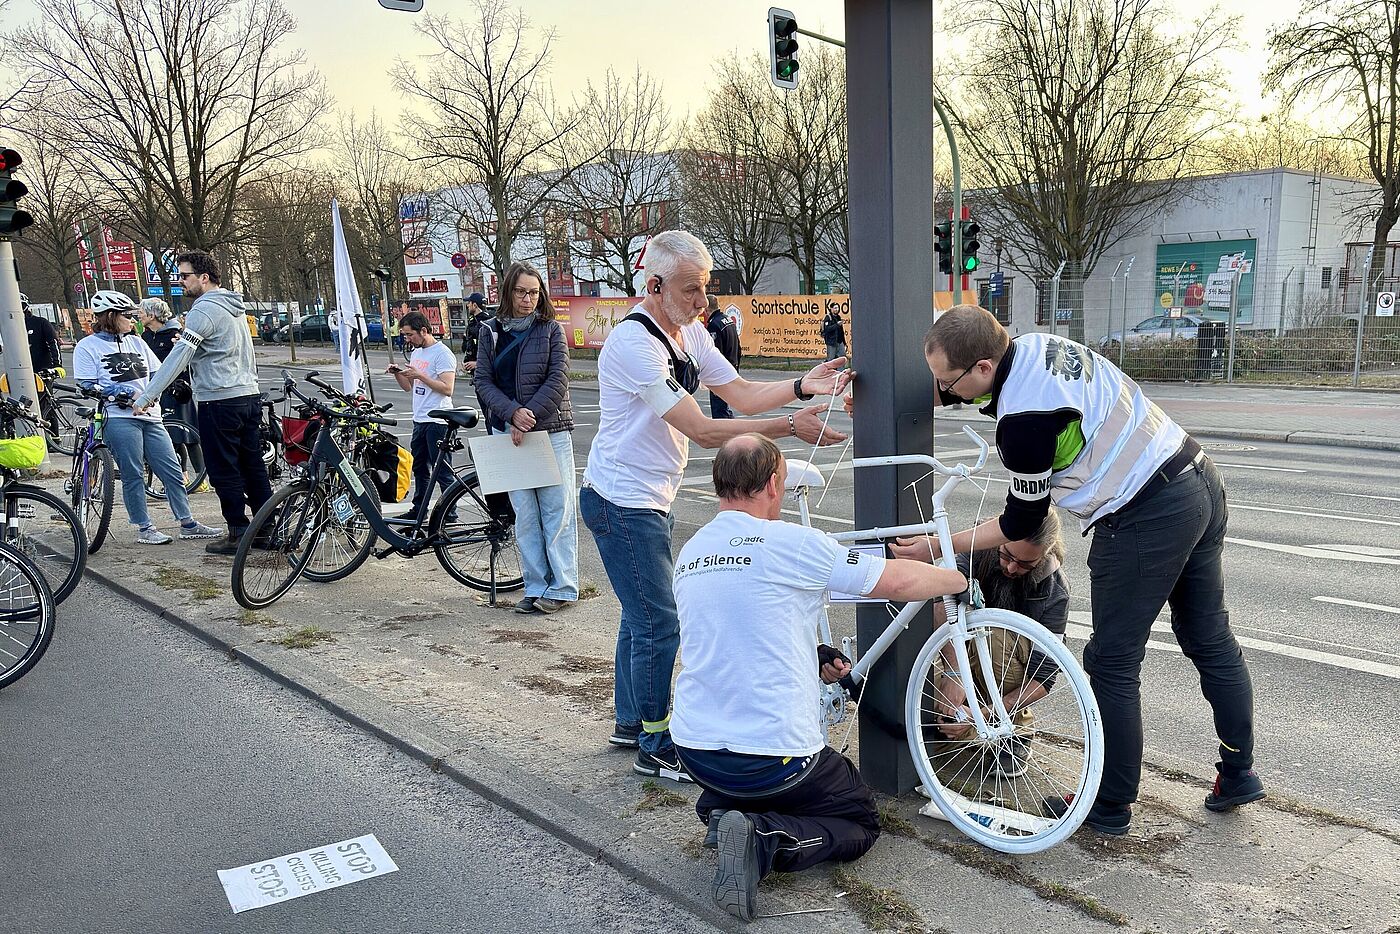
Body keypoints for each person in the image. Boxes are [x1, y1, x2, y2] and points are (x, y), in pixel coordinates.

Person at [891, 304, 1262, 835]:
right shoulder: (1036, 347)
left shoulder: (1023, 422)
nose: (942, 393)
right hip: (1196, 474)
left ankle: (1108, 804)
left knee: (1111, 663)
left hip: (1141, 513)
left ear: (982, 370)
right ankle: (1238, 772)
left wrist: (938, 543)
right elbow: (978, 390)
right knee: (1209, 637)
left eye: (946, 382)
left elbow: (1022, 524)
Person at [579, 229, 851, 783]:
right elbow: (703, 430)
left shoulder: (688, 333)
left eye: (705, 289)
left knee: (641, 616)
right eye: (690, 290)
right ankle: (655, 744)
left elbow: (741, 393)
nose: (703, 302)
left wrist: (803, 385)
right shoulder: (635, 344)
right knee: (659, 621)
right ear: (654, 286)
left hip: (649, 494)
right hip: (621, 497)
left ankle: (631, 721)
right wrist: (786, 428)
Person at [671, 435, 967, 921]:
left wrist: (814, 653)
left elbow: (742, 631)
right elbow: (897, 581)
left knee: (740, 784)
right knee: (860, 819)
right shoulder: (790, 541)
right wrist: (956, 580)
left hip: (695, 750)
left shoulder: (693, 551)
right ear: (772, 484)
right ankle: (763, 842)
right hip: (772, 757)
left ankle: (724, 813)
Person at [134, 250, 273, 555]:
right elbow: (226, 351)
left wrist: (147, 395)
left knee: (223, 469)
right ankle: (266, 530)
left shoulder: (204, 309)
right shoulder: (234, 306)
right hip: (247, 396)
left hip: (219, 400)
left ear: (204, 278)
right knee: (252, 466)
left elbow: (177, 358)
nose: (180, 282)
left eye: (184, 276)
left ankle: (238, 532)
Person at [924, 512, 1069, 786]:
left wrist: (988, 712)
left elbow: (1043, 677)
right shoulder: (976, 549)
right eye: (1007, 556)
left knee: (995, 633)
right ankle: (956, 716)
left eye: (1026, 563)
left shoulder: (1055, 590)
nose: (1012, 568)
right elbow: (938, 602)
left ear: (1046, 554)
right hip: (958, 655)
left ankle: (1011, 733)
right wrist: (954, 674)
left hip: (1004, 661)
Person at [73, 291, 222, 545]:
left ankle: (187, 522)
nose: (134, 320)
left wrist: (175, 385)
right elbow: (85, 385)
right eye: (128, 316)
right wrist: (116, 392)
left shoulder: (137, 342)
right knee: (133, 473)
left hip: (152, 416)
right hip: (119, 418)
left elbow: (159, 372)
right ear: (111, 317)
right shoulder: (87, 347)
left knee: (171, 469)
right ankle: (144, 527)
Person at [474, 262, 578, 616]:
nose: (528, 299)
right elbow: (483, 382)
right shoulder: (489, 332)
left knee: (556, 510)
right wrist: (511, 413)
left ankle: (563, 586)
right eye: (521, 291)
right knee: (525, 515)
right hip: (509, 432)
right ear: (508, 292)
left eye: (534, 292)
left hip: (550, 431)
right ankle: (535, 586)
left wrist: (527, 416)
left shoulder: (551, 330)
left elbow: (558, 378)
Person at [389, 311, 457, 524]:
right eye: (405, 336)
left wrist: (421, 376)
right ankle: (419, 509)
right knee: (419, 468)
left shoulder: (442, 354)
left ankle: (450, 514)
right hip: (420, 419)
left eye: (410, 335)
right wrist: (399, 374)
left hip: (439, 420)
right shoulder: (417, 353)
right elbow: (409, 388)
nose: (407, 340)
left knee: (443, 471)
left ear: (424, 331)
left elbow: (448, 388)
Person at [140, 297, 209, 494]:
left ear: (152, 315)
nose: (139, 316)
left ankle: (200, 478)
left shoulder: (174, 334)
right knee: (172, 437)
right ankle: (183, 476)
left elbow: (185, 361)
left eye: (142, 313)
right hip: (157, 391)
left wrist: (183, 382)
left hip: (177, 391)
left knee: (187, 435)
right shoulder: (146, 337)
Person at [705, 295, 741, 419]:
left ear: (706, 309)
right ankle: (733, 433)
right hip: (732, 366)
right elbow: (738, 345)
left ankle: (727, 436)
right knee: (725, 407)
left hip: (720, 373)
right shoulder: (728, 320)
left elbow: (715, 353)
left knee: (720, 410)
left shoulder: (714, 325)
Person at [23, 293, 63, 373]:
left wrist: (57, 365)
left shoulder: (40, 322)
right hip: (18, 369)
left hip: (42, 369)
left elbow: (53, 342)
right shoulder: (7, 326)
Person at [459, 292, 492, 374]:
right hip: (476, 373)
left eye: (469, 303)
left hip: (487, 374)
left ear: (475, 305)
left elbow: (493, 351)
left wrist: (477, 364)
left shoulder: (487, 324)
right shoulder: (473, 322)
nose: (467, 305)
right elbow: (468, 345)